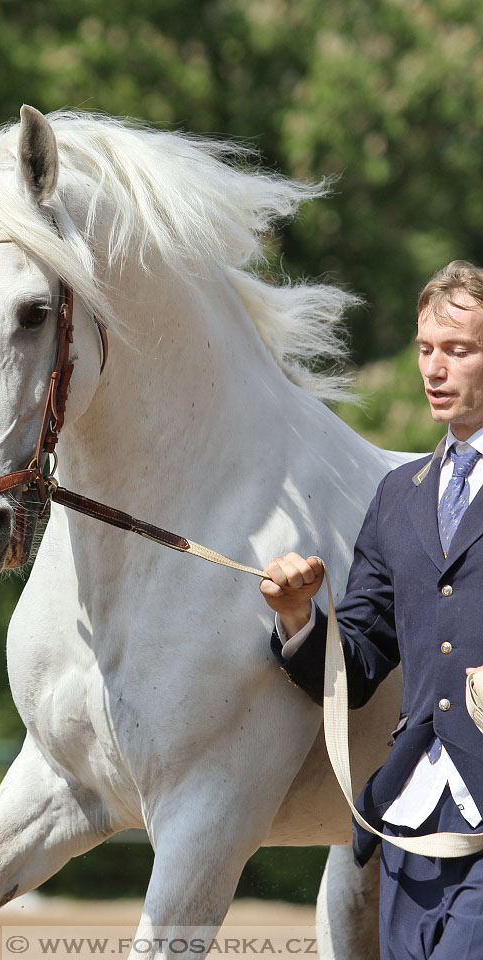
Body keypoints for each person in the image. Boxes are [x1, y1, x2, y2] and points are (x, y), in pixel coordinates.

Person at [260, 260, 483, 960]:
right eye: (425, 350)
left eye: (459, 350)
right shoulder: (398, 495)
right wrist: (298, 618)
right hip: (410, 823)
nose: (435, 369)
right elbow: (356, 661)